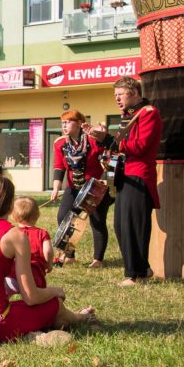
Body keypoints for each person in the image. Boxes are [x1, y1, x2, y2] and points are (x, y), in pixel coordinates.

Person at [0, 176, 95, 342]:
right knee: (54, 304)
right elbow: (31, 296)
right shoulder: (14, 235)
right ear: (10, 204)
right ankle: (79, 318)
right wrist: (56, 291)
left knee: (21, 306)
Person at [86, 77, 163, 286]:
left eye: (120, 94)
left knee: (133, 227)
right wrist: (100, 138)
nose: (116, 99)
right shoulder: (129, 115)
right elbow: (119, 147)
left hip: (139, 175)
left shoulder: (149, 113)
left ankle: (135, 274)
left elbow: (140, 146)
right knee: (121, 225)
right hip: (125, 176)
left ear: (134, 92)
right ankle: (143, 268)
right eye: (115, 95)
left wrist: (109, 139)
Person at [50, 110, 110, 267]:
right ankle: (69, 255)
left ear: (79, 123)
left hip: (95, 188)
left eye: (68, 122)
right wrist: (56, 188)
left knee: (97, 221)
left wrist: (104, 182)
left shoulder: (93, 140)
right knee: (64, 217)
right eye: (62, 122)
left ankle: (98, 259)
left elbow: (109, 159)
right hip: (73, 186)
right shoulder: (60, 143)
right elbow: (58, 167)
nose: (64, 125)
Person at [9, 197, 52, 291]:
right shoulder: (42, 233)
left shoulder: (12, 232)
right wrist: (49, 265)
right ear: (38, 215)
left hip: (14, 273)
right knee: (39, 300)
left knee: (5, 294)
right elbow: (48, 251)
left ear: (13, 217)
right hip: (35, 275)